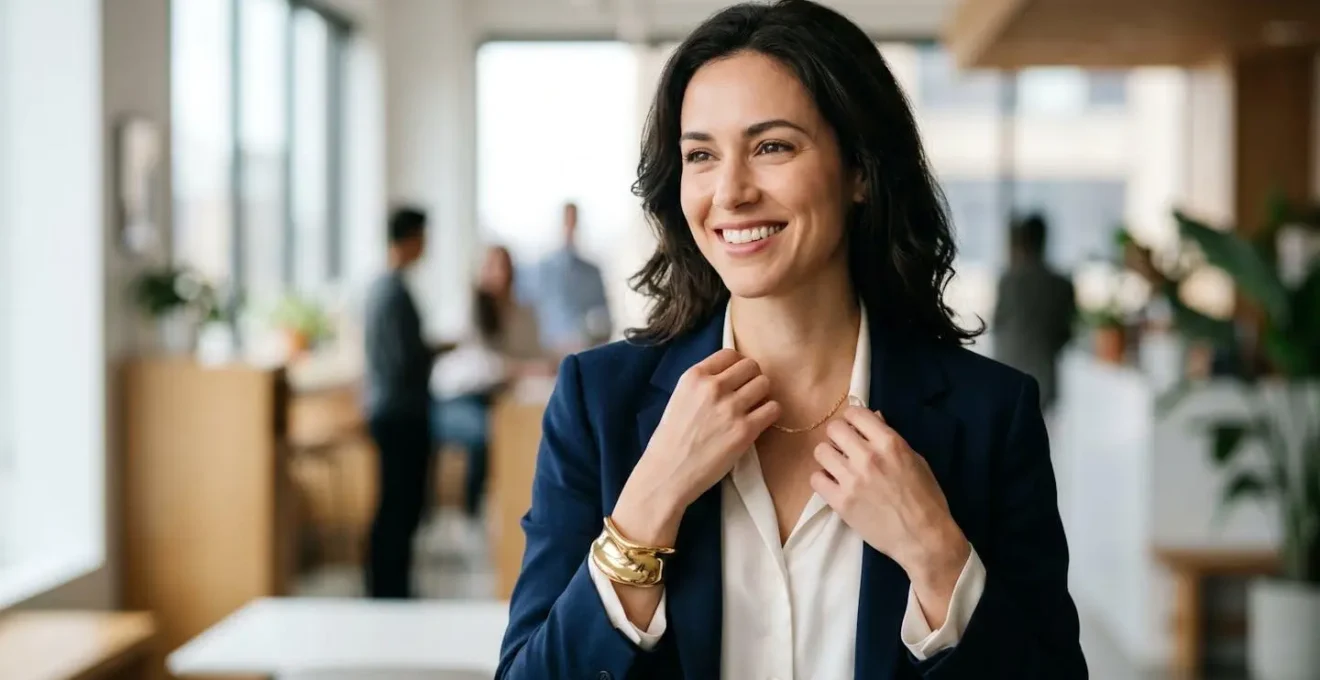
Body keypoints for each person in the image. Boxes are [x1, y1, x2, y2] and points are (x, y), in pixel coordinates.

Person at [496, 1, 1087, 678]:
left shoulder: (991, 416)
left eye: (772, 146)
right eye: (700, 155)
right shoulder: (597, 403)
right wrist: (649, 501)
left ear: (859, 169)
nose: (731, 192)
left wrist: (936, 554)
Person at [430, 245, 550, 522]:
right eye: (493, 267)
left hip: (496, 397)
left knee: (525, 426)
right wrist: (521, 369)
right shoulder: (467, 308)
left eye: (505, 267)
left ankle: (508, 509)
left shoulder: (521, 311)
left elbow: (532, 355)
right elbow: (481, 365)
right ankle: (473, 514)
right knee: (490, 431)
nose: (500, 274)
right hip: (455, 399)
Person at [362, 205, 435, 599]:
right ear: (410, 239)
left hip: (388, 408)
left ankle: (391, 586)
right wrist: (435, 352)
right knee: (399, 505)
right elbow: (404, 360)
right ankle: (389, 589)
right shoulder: (393, 293)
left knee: (396, 503)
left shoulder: (383, 288)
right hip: (400, 412)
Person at [992, 213, 1077, 411]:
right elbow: (1066, 334)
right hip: (1043, 375)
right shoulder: (1062, 285)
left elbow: (998, 324)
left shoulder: (1009, 281)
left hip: (1007, 370)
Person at [521, 202, 613, 355]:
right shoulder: (542, 270)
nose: (570, 227)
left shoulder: (592, 271)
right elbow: (528, 310)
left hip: (584, 349)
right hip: (549, 351)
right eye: (567, 221)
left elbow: (604, 316)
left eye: (573, 221)